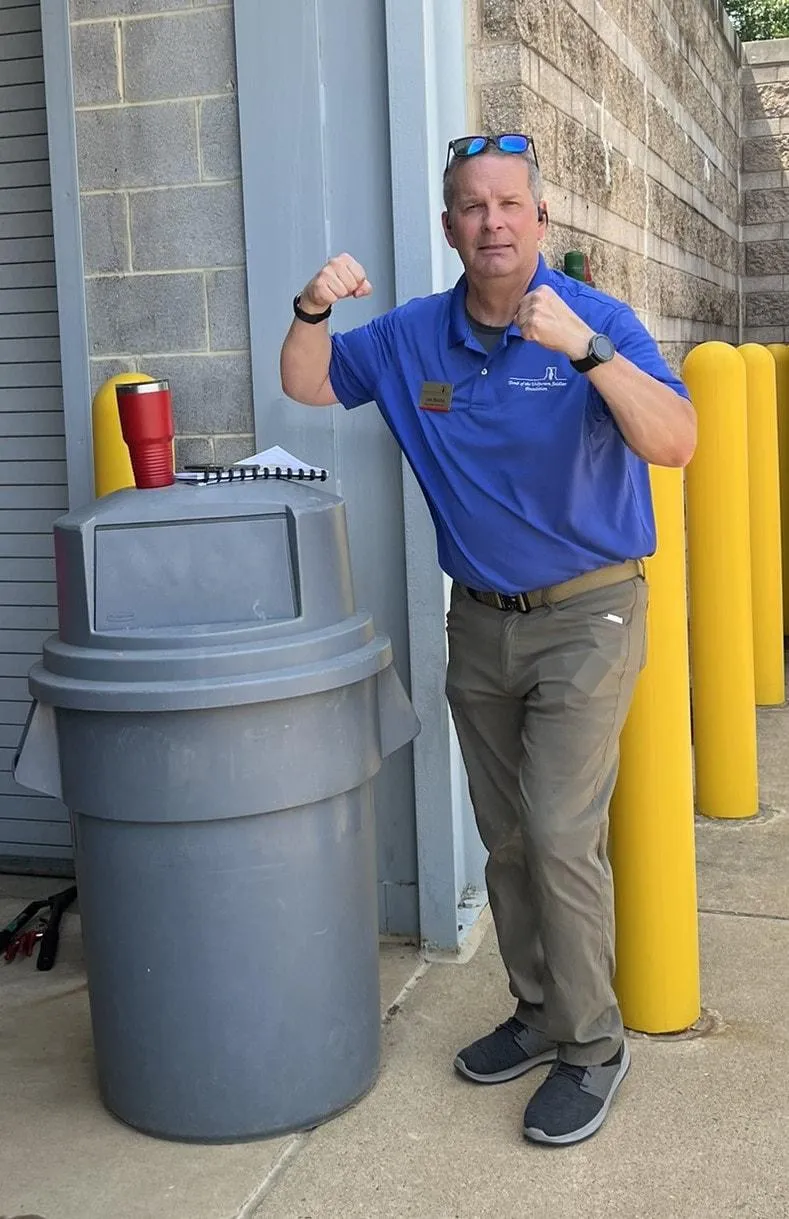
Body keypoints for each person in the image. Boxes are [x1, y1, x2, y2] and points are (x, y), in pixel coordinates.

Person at [279, 132, 696, 1147]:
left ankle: (594, 1042)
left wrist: (587, 356)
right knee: (507, 835)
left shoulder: (596, 321)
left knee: (558, 832)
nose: (493, 222)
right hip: (480, 622)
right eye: (473, 206)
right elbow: (306, 382)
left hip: (590, 614)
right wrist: (311, 306)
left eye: (511, 204)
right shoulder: (416, 337)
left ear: (541, 221)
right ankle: (541, 1009)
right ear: (449, 227)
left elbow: (677, 441)